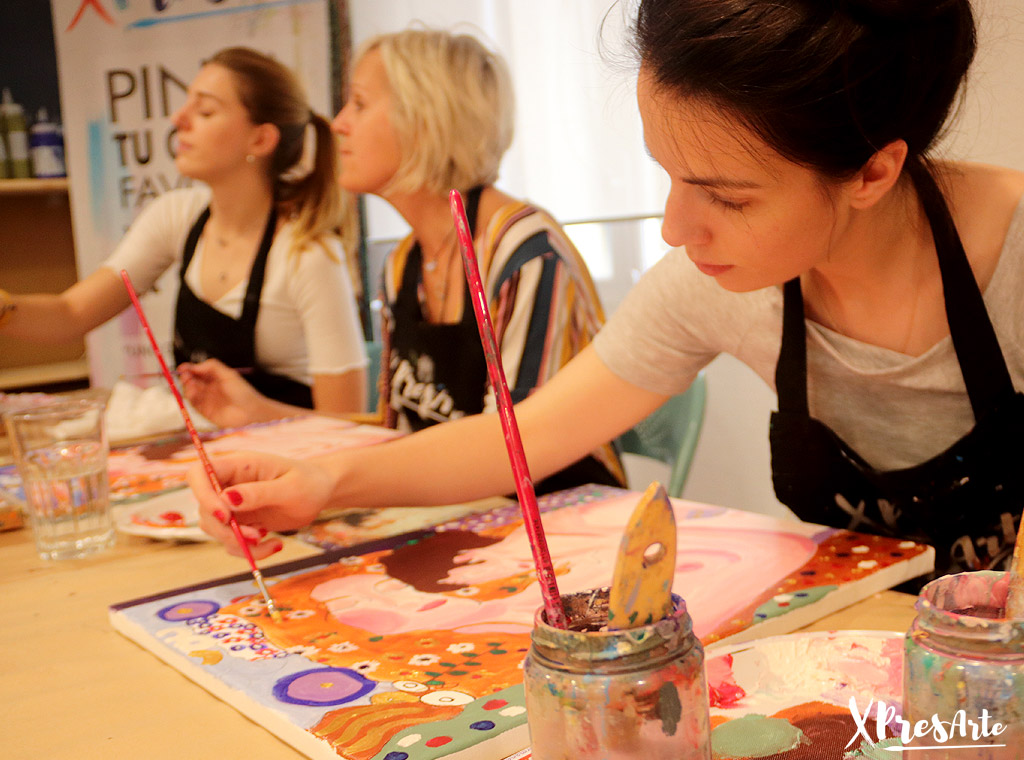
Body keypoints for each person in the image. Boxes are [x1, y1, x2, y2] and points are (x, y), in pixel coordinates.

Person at [189, 0, 1024, 583]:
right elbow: (525, 437)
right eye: (666, 175)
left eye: (726, 195)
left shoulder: (1014, 255)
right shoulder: (716, 282)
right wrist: (321, 483)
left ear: (874, 169)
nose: (674, 226)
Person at [181, 29, 624, 493]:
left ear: (425, 119)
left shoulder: (524, 252)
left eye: (359, 103)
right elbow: (399, 439)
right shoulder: (402, 266)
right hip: (464, 516)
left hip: (563, 524)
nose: (338, 123)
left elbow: (512, 452)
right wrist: (261, 414)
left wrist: (328, 486)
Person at [0, 47, 367, 413]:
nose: (179, 118)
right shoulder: (177, 217)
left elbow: (346, 424)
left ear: (260, 140)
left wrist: (257, 411)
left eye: (205, 111)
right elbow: (71, 314)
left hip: (296, 462)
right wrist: (6, 309)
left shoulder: (310, 255)